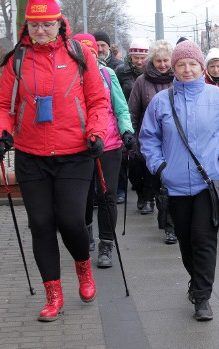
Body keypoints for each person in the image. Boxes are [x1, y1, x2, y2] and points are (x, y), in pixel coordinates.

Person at [0, 0, 108, 321]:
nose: (42, 30)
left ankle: (83, 267)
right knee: (40, 223)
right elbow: (4, 107)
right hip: (31, 155)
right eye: (35, 25)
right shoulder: (18, 59)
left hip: (74, 152)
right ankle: (53, 295)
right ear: (27, 26)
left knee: (71, 219)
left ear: (60, 24)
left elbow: (98, 102)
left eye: (48, 24)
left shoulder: (79, 56)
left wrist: (96, 131)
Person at [138, 39, 219, 321]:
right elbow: (149, 138)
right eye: (181, 64)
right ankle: (196, 282)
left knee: (204, 237)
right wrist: (160, 167)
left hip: (209, 183)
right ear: (174, 68)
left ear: (201, 67)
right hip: (174, 184)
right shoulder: (162, 101)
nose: (187, 69)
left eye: (192, 64)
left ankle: (202, 297)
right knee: (185, 240)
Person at [75, 34, 135, 267]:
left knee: (107, 194)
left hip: (109, 143)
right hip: (78, 146)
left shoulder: (107, 75)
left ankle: (106, 245)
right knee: (84, 195)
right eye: (82, 52)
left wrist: (126, 132)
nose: (87, 56)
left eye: (91, 52)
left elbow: (121, 108)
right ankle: (87, 232)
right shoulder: (67, 77)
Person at [128, 40, 177, 244]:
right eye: (159, 61)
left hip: (176, 143)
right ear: (152, 61)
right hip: (152, 143)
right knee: (159, 186)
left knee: (173, 186)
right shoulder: (142, 81)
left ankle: (171, 226)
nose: (163, 65)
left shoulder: (179, 79)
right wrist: (132, 138)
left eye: (166, 60)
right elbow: (133, 111)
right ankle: (165, 217)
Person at [115, 37, 150, 203]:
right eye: (136, 57)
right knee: (132, 160)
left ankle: (148, 197)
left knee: (147, 160)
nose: (139, 61)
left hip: (148, 118)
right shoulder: (121, 72)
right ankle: (139, 192)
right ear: (130, 57)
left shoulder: (151, 72)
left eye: (143, 58)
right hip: (129, 117)